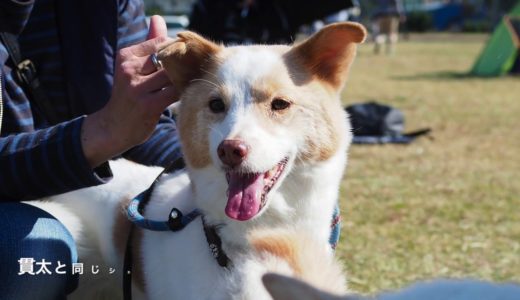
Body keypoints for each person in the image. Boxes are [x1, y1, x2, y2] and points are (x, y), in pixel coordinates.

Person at [0, 0, 179, 298]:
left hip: (86, 196)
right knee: (35, 248)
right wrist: (101, 134)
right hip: (22, 211)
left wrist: (211, 166)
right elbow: (116, 127)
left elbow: (143, 128)